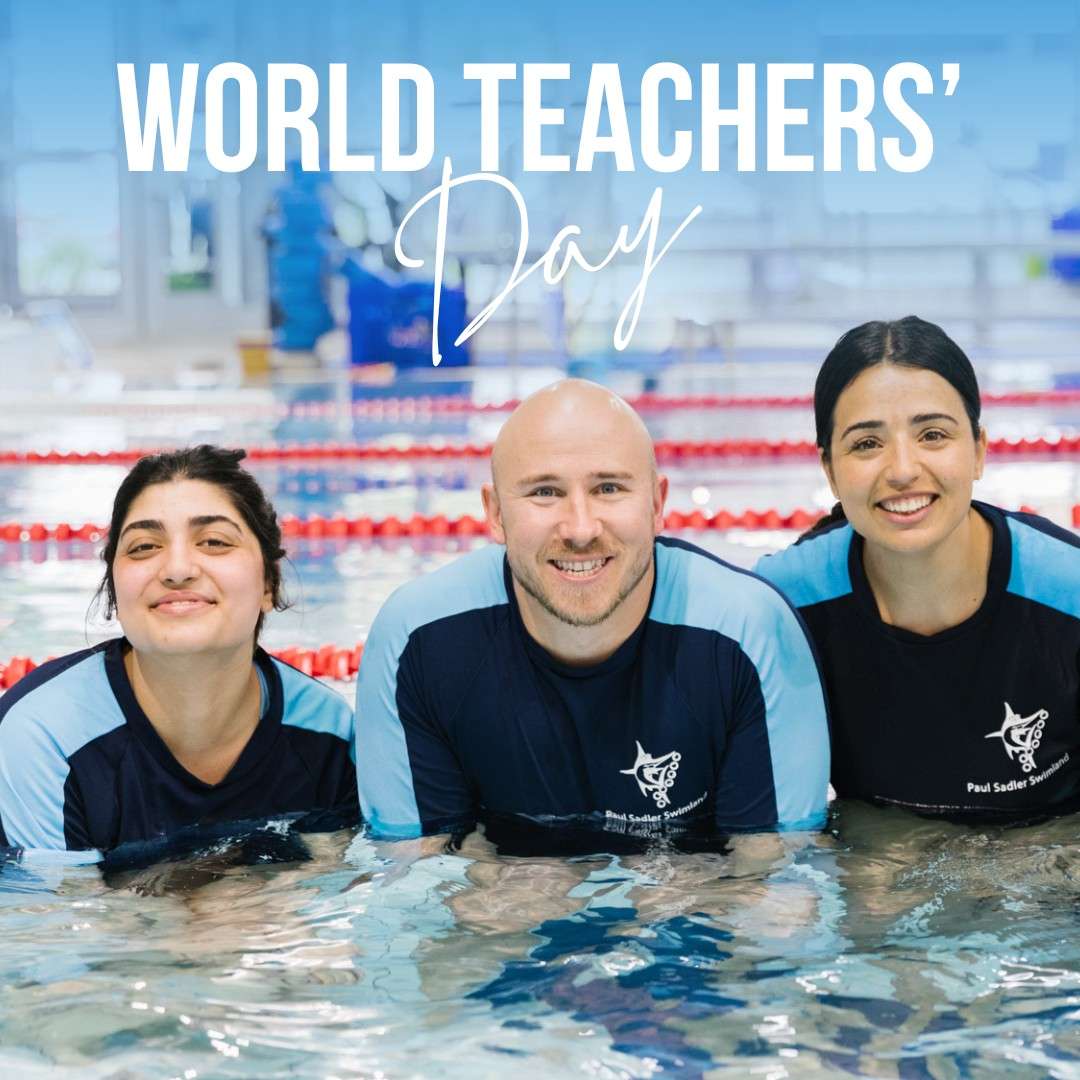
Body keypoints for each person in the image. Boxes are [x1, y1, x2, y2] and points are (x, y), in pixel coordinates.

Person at [356, 379, 829, 848]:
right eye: (545, 492)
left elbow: (775, 876)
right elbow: (415, 875)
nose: (580, 529)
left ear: (657, 504)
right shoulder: (418, 641)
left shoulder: (749, 632)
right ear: (495, 513)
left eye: (608, 488)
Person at [754, 316, 1080, 821]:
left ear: (979, 451)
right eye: (867, 443)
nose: (903, 470)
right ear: (830, 471)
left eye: (932, 434)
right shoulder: (782, 608)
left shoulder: (1067, 590)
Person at [0, 446, 357, 857]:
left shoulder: (326, 734)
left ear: (268, 584)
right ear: (114, 591)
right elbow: (51, 902)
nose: (177, 570)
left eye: (214, 541)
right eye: (143, 547)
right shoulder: (44, 736)